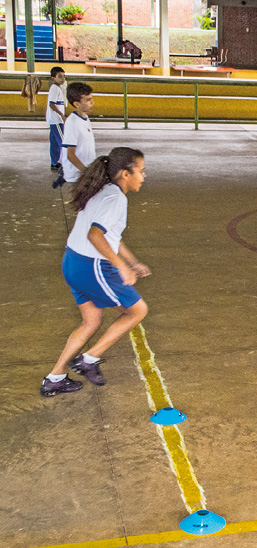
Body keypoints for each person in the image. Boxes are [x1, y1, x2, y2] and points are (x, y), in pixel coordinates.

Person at [40, 148, 150, 397]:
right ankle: (89, 359)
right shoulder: (115, 199)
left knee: (91, 322)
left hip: (72, 262)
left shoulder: (102, 191)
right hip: (91, 266)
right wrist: (121, 267)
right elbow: (95, 235)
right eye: (141, 171)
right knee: (137, 310)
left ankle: (54, 379)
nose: (143, 176)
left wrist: (132, 261)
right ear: (125, 173)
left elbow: (112, 236)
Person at [60, 82, 96, 185]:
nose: (92, 102)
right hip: (77, 176)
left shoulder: (85, 118)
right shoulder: (73, 122)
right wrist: (86, 172)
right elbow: (70, 155)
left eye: (91, 98)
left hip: (85, 173)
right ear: (77, 104)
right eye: (88, 100)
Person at [46, 67, 67, 171]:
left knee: (54, 142)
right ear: (53, 78)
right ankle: (66, 163)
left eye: (64, 76)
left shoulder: (57, 88)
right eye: (59, 76)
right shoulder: (55, 88)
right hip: (57, 120)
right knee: (63, 142)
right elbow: (52, 105)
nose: (62, 79)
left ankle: (54, 163)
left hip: (53, 120)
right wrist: (61, 115)